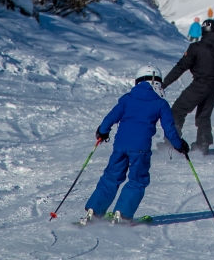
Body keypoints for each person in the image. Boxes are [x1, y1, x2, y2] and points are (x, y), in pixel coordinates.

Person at [79, 65, 188, 226]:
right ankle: (122, 214)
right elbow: (170, 130)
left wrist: (102, 132)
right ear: (157, 83)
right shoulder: (160, 103)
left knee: (111, 177)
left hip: (120, 147)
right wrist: (180, 145)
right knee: (137, 180)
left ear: (138, 82)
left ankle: (93, 212)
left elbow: (110, 118)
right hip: (140, 149)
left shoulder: (127, 99)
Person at [162, 18, 214, 154]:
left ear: (203, 31)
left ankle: (171, 142)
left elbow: (181, 67)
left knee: (178, 110)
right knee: (204, 115)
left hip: (200, 84)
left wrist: (164, 83)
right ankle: (203, 144)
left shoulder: (196, 48)